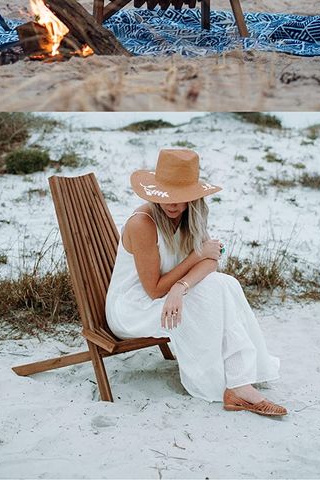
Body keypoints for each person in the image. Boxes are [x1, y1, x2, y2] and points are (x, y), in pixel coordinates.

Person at [105, 148, 286, 417]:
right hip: (133, 307)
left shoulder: (193, 216)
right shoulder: (143, 224)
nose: (173, 204)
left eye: (182, 197)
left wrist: (182, 286)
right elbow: (154, 288)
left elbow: (211, 262)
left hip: (168, 294)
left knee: (225, 284)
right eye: (167, 195)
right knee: (211, 295)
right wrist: (195, 257)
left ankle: (239, 384)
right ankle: (237, 385)